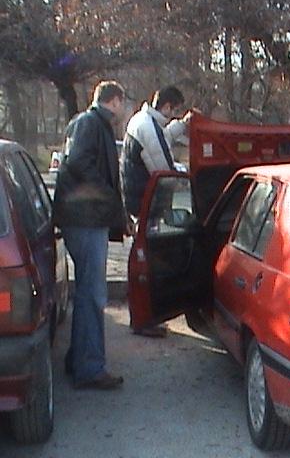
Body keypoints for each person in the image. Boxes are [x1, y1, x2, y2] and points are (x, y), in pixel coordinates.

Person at [53, 81, 128, 390]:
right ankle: (90, 367)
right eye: (123, 102)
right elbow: (79, 162)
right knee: (92, 294)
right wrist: (107, 194)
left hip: (82, 218)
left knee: (87, 291)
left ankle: (80, 359)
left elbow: (76, 162)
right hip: (86, 219)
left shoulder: (86, 123)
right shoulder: (92, 124)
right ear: (115, 100)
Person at [121, 86, 191, 337]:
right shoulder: (148, 127)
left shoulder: (144, 121)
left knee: (143, 256)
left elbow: (162, 139)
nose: (175, 115)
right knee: (147, 260)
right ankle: (145, 318)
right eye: (175, 111)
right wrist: (186, 175)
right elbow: (163, 168)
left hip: (138, 198)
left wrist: (181, 126)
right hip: (145, 202)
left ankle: (143, 316)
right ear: (167, 106)